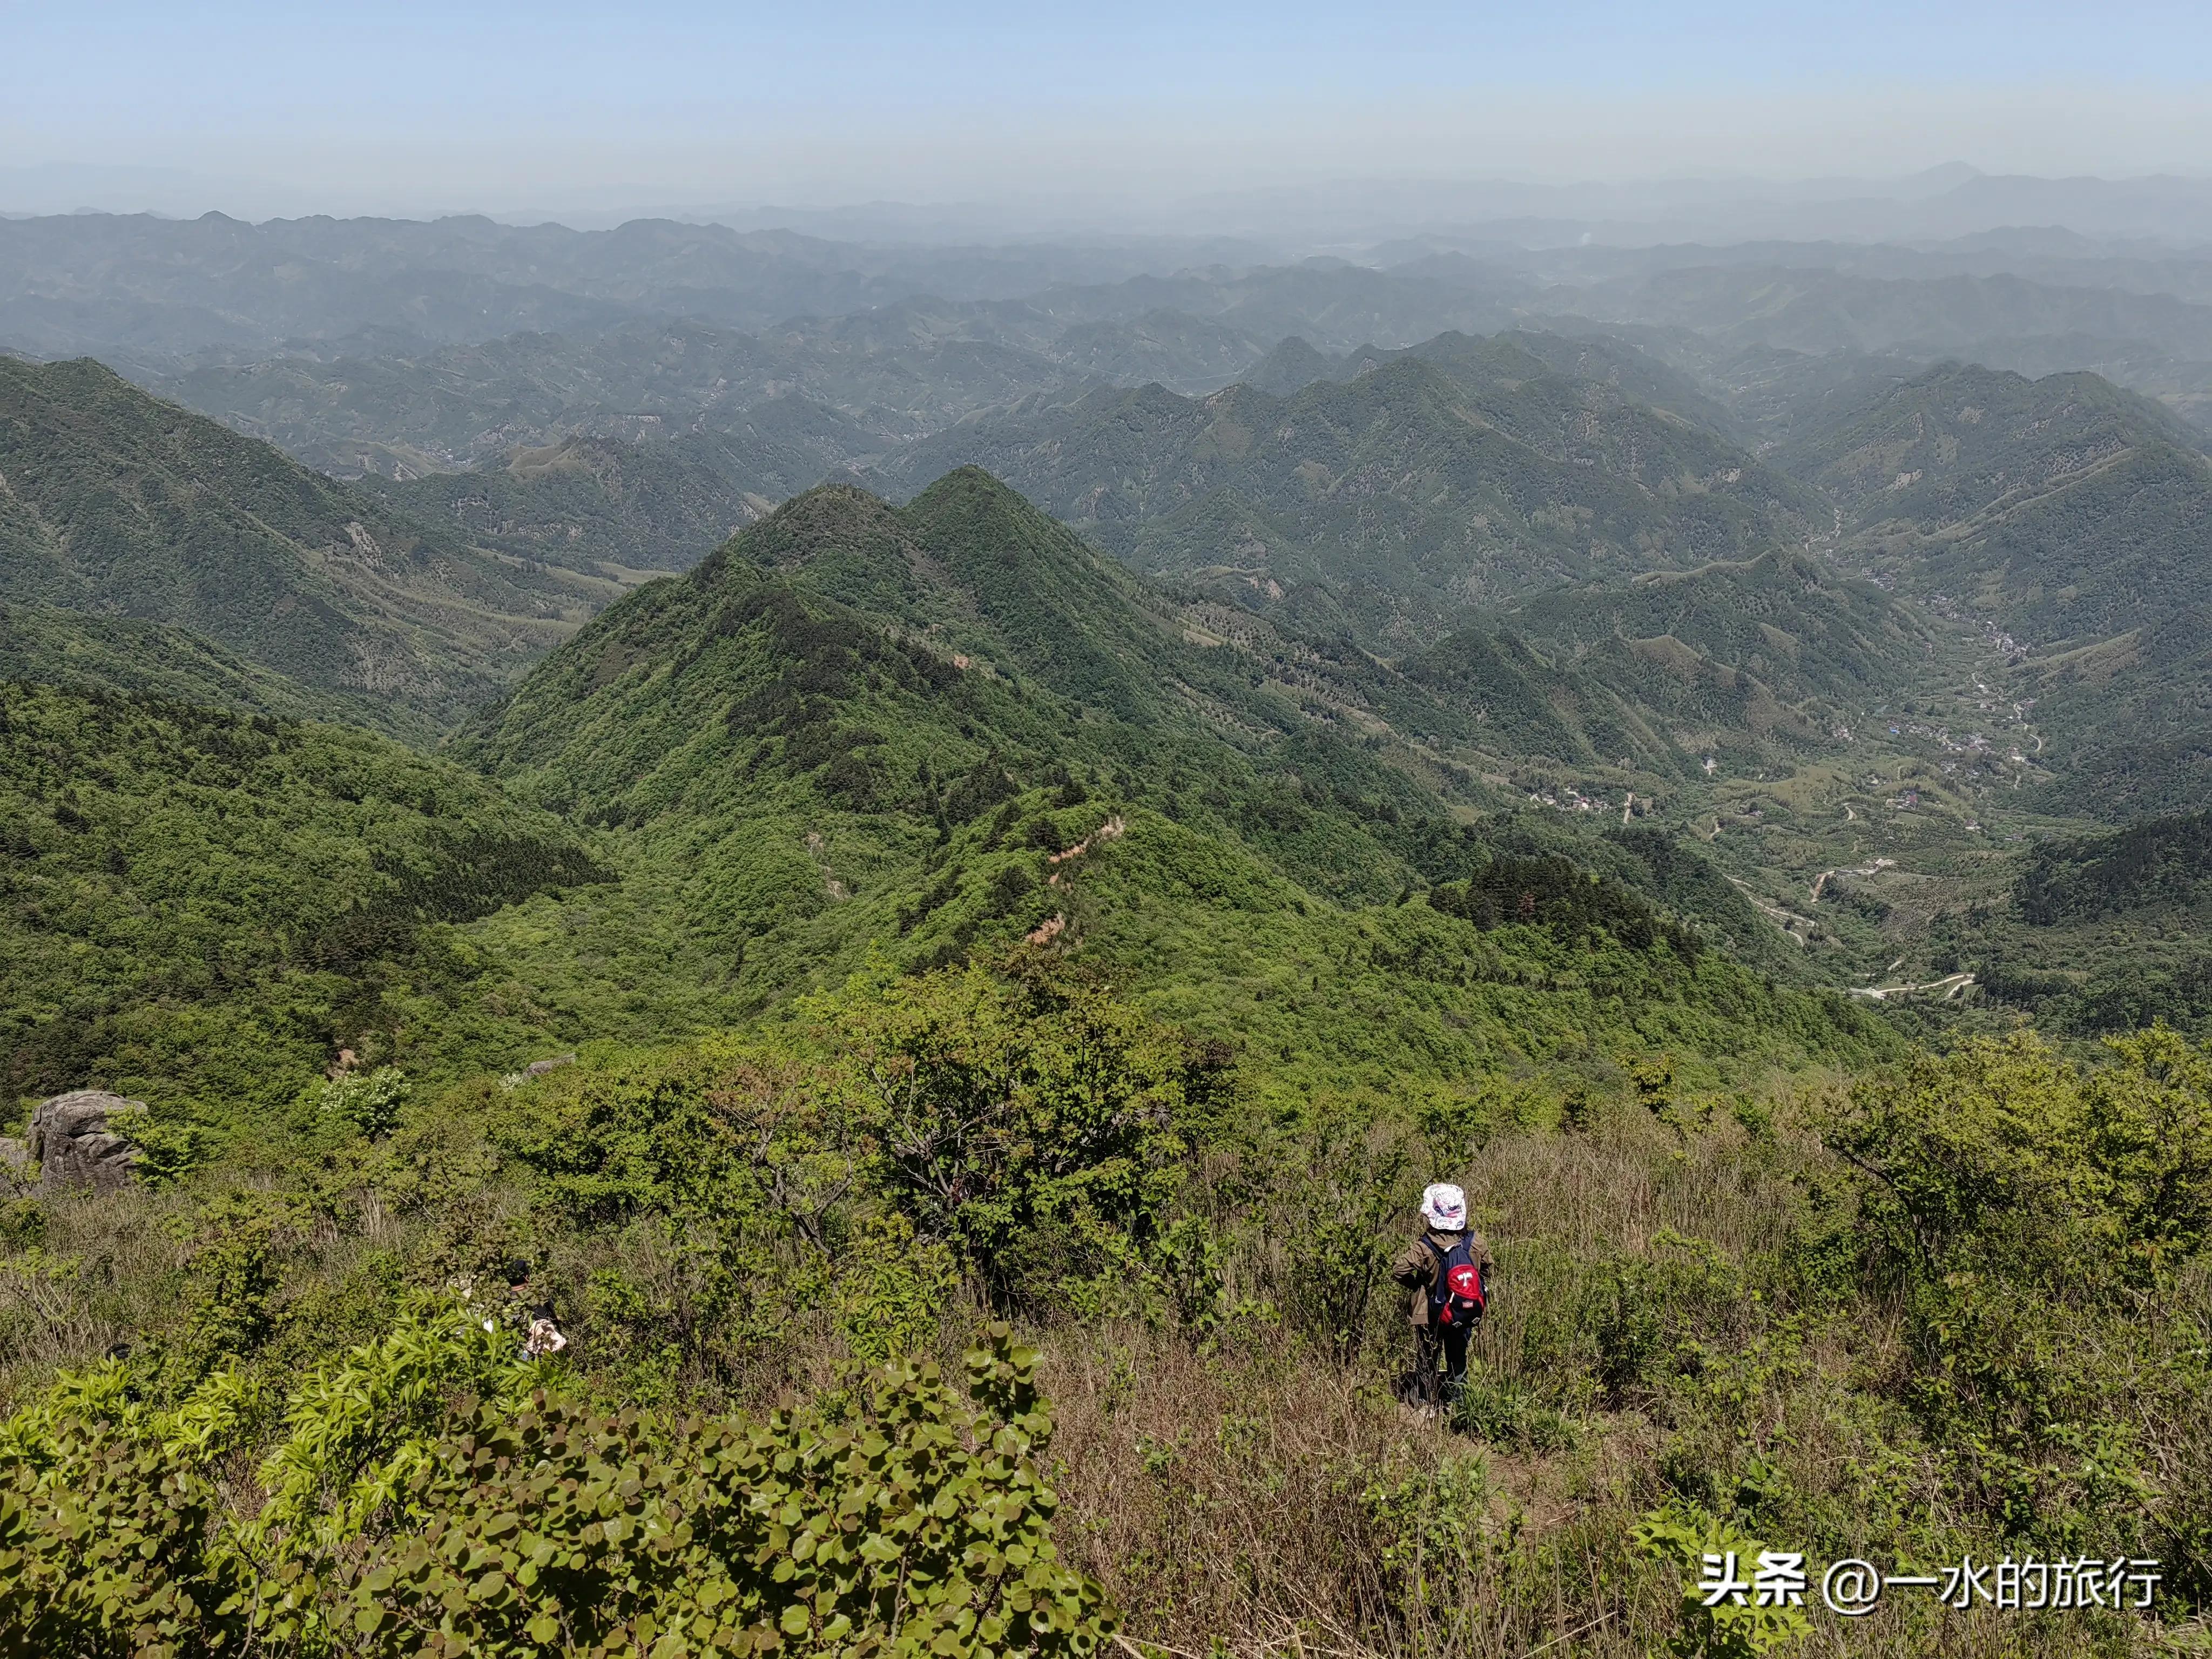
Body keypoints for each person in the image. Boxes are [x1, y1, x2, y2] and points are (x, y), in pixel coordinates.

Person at [1392, 1182, 1493, 1411]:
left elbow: (1399, 1270)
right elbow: (1488, 1269)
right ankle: (1460, 1405)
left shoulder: (1425, 1246)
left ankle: (1423, 1401)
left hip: (1431, 1314)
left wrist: (1417, 1284)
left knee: (1428, 1356)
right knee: (1458, 1359)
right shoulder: (1475, 1241)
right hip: (1462, 1311)